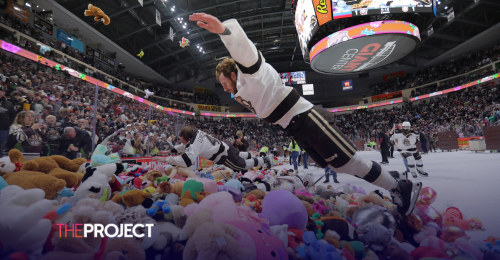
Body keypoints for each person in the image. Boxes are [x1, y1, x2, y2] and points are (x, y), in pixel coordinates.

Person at [193, 12, 422, 215]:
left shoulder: (252, 73)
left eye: (224, 82)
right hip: (296, 127)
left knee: (346, 162)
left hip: (306, 118)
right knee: (336, 165)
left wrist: (224, 31)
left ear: (233, 74)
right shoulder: (241, 88)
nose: (223, 88)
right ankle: (389, 176)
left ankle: (397, 186)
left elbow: (246, 52)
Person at [154, 126, 274, 173]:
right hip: (226, 146)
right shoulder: (197, 133)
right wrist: (169, 151)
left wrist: (166, 159)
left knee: (244, 166)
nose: (182, 142)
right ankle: (255, 156)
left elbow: (186, 161)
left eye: (183, 140)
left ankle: (265, 159)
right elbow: (185, 146)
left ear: (189, 138)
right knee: (240, 155)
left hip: (224, 155)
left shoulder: (194, 144)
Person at [0, 84, 16, 155]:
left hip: (4, 129)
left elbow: (13, 116)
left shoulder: (9, 104)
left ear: (4, 93)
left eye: (1, 91)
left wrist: (9, 125)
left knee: (4, 146)